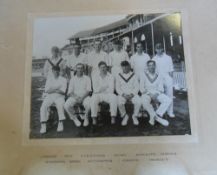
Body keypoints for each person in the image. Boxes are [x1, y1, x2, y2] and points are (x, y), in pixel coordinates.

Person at [140, 60, 171, 126]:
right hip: (147, 93)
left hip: (156, 93)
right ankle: (157, 118)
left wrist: (156, 94)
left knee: (168, 100)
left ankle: (155, 115)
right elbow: (141, 88)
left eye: (153, 65)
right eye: (149, 65)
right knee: (144, 101)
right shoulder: (143, 75)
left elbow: (161, 88)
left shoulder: (159, 75)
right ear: (147, 67)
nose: (151, 67)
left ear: (155, 66)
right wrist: (150, 94)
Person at [40, 66, 67, 134]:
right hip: (50, 96)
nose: (56, 72)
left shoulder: (63, 79)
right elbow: (47, 91)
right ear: (52, 72)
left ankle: (60, 123)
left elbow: (63, 91)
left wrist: (52, 89)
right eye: (54, 71)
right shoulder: (49, 79)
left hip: (60, 97)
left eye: (57, 71)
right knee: (43, 107)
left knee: (60, 105)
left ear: (59, 71)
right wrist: (57, 88)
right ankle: (43, 125)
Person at [152, 43, 175, 118]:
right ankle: (161, 112)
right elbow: (153, 71)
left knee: (170, 95)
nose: (159, 50)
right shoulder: (154, 59)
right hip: (158, 79)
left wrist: (171, 79)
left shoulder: (168, 57)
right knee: (160, 95)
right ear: (155, 49)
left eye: (160, 48)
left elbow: (171, 69)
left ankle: (170, 112)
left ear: (162, 49)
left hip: (167, 77)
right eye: (157, 48)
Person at [116, 61, 141, 126]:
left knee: (138, 101)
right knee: (119, 102)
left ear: (129, 67)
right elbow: (117, 88)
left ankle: (135, 116)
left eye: (127, 66)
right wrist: (123, 95)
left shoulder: (134, 75)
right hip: (123, 94)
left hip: (132, 94)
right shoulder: (119, 76)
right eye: (123, 67)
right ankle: (125, 116)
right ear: (121, 67)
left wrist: (132, 94)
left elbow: (137, 87)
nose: (125, 68)